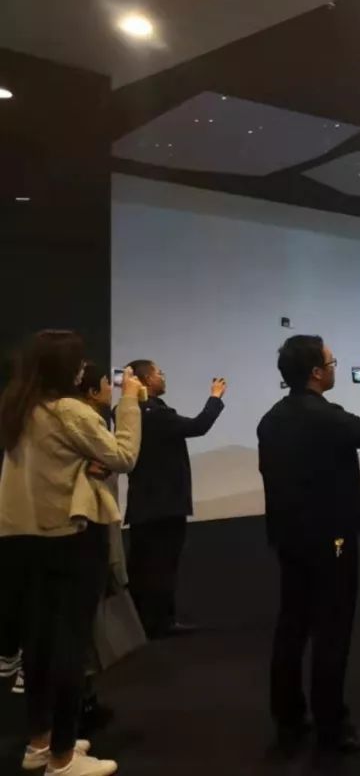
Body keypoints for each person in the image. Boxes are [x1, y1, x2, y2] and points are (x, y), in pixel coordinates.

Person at [0, 330, 143, 776]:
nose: (85, 370)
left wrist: (85, 463)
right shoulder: (69, 411)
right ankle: (62, 758)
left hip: (22, 540)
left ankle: (40, 742)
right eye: (80, 363)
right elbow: (124, 455)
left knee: (38, 644)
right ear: (66, 369)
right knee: (70, 647)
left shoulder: (18, 408)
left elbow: (59, 462)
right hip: (69, 538)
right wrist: (129, 401)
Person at [258, 335, 360, 757]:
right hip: (331, 539)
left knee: (291, 626)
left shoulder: (270, 419)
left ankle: (288, 718)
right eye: (332, 362)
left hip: (288, 537)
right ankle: (332, 727)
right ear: (317, 373)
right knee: (332, 630)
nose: (336, 368)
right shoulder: (326, 417)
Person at [124, 360, 226, 639]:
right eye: (159, 373)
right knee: (162, 564)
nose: (163, 377)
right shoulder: (154, 414)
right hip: (164, 504)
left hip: (146, 503)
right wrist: (215, 397)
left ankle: (146, 622)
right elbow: (199, 426)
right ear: (146, 380)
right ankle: (159, 622)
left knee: (146, 565)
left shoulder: (133, 412)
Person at [75, 365, 145, 735]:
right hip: (84, 531)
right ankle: (70, 719)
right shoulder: (79, 418)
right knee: (83, 621)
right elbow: (123, 456)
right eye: (106, 383)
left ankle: (79, 703)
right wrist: (130, 400)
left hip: (80, 530)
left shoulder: (44, 416)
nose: (111, 386)